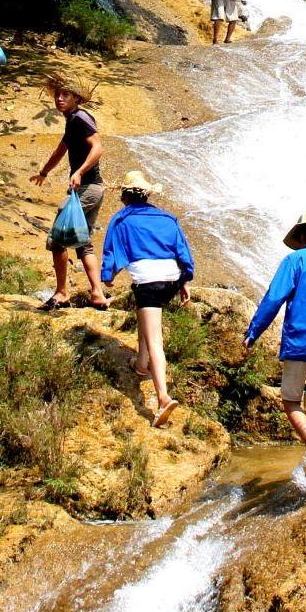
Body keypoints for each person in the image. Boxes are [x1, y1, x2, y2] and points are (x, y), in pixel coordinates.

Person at [99, 170, 194, 428]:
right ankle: (141, 365)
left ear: (125, 195)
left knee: (155, 339)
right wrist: (185, 280)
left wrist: (107, 276)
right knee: (146, 315)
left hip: (148, 281)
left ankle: (162, 396)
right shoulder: (167, 218)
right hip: (172, 279)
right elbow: (182, 251)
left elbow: (111, 251)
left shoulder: (121, 220)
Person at [244, 210, 306, 459]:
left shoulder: (295, 261)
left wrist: (254, 331)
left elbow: (274, 298)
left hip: (300, 341)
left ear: (300, 237)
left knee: (290, 399)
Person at [30, 73, 110, 311]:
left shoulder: (80, 118)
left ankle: (62, 292)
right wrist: (44, 172)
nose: (60, 99)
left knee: (57, 240)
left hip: (87, 187)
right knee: (83, 244)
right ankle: (97, 294)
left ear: (76, 98)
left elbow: (98, 147)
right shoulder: (72, 120)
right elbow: (61, 149)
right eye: (58, 95)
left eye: (65, 95)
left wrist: (79, 172)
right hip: (94, 188)